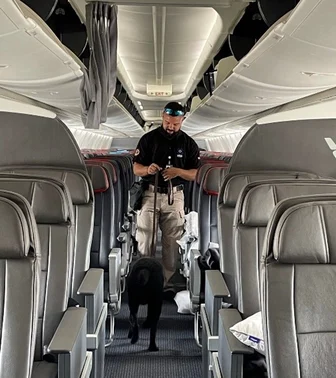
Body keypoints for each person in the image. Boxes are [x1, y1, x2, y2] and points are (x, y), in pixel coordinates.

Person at [133, 102, 201, 290]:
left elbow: (196, 173)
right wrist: (148, 169)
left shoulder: (189, 143)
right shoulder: (148, 139)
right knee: (146, 240)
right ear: (162, 116)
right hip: (150, 194)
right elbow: (136, 168)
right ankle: (145, 281)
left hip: (175, 196)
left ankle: (165, 282)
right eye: (167, 122)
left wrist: (177, 171)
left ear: (182, 120)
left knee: (171, 243)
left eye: (175, 124)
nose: (170, 127)